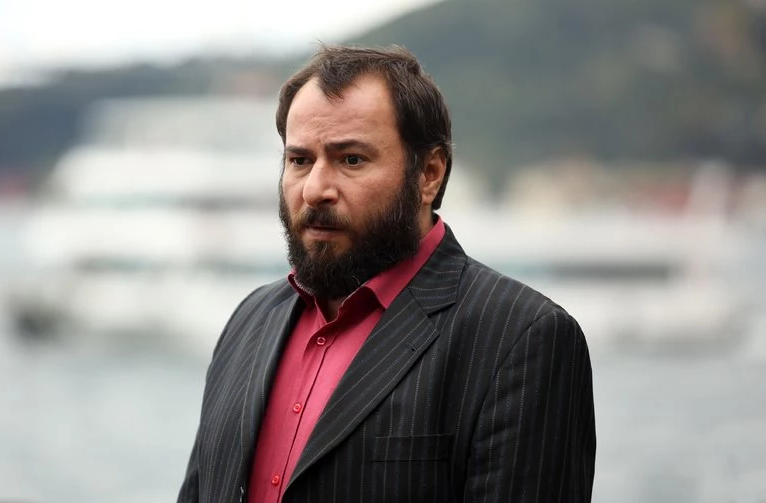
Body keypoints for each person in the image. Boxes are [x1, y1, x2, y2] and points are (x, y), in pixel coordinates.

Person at [177, 44, 595, 503]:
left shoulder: (522, 337)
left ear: (429, 174)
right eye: (299, 160)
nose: (315, 189)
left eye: (351, 159)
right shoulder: (249, 322)